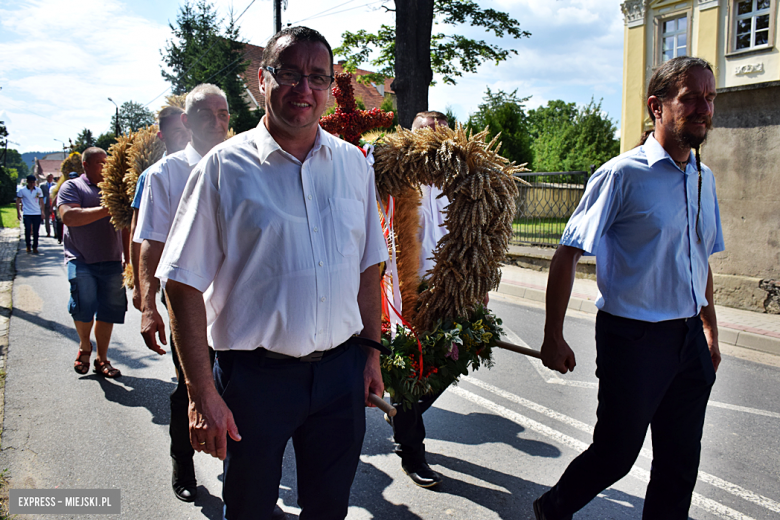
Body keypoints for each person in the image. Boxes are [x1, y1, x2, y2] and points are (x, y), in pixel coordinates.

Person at [156, 26, 388, 519]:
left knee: (329, 508)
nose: (304, 88)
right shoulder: (222, 169)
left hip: (341, 374)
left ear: (329, 86)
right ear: (263, 80)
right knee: (249, 508)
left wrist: (370, 356)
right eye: (289, 73)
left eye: (318, 77)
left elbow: (370, 267)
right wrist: (202, 392)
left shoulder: (353, 165)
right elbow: (180, 283)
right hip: (254, 381)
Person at [533, 56, 723, 520]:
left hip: (688, 340)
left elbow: (700, 259)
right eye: (691, 97)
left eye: (710, 97)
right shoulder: (621, 174)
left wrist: (709, 329)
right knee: (616, 455)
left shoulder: (704, 178)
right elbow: (567, 252)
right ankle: (552, 508)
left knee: (680, 464)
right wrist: (552, 335)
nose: (704, 108)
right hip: (634, 339)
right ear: (657, 106)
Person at [135, 85, 226, 503]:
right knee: (191, 385)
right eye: (206, 114)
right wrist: (148, 304)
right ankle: (183, 463)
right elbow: (150, 242)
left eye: (223, 113)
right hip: (187, 304)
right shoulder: (164, 175)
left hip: (235, 303)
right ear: (186, 123)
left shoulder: (244, 165)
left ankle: (242, 469)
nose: (217, 120)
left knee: (237, 386)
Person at [385, 110, 450, 488]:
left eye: (439, 132)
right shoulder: (395, 181)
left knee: (451, 363)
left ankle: (398, 411)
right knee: (410, 375)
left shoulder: (458, 182)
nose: (431, 138)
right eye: (424, 131)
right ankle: (413, 455)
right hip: (401, 292)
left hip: (446, 293)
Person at [58, 148, 129, 378]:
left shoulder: (116, 190)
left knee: (109, 311)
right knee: (84, 305)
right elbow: (68, 217)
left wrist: (128, 260)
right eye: (99, 163)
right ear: (86, 165)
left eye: (106, 162)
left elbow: (126, 227)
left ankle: (102, 359)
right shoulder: (72, 187)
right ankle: (84, 345)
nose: (105, 167)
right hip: (81, 258)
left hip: (111, 259)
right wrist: (106, 210)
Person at [129, 105, 191, 311]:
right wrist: (140, 286)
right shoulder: (152, 176)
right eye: (177, 131)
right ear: (161, 136)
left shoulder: (210, 165)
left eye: (186, 129)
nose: (185, 136)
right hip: (175, 275)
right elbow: (139, 233)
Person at [16, 174, 45, 254]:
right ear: (27, 182)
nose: (32, 184)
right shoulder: (22, 190)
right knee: (28, 230)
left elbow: (41, 201)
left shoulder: (38, 190)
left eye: (33, 182)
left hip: (36, 213)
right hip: (27, 213)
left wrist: (42, 212)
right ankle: (28, 245)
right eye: (31, 182)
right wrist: (18, 212)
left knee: (36, 231)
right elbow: (18, 201)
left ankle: (35, 246)